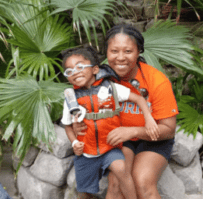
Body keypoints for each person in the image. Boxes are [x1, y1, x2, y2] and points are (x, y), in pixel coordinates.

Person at [72, 24, 179, 199]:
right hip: (119, 139)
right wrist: (78, 126)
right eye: (114, 51)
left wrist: (134, 131)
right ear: (106, 52)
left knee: (142, 181)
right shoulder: (97, 77)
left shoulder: (157, 81)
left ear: (138, 52)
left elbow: (168, 129)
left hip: (153, 139)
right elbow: (82, 109)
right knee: (116, 183)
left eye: (128, 51)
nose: (120, 58)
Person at [60, 46, 159, 199]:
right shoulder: (71, 98)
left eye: (80, 66)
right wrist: (74, 143)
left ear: (94, 69)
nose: (75, 72)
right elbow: (67, 126)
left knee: (121, 170)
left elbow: (139, 98)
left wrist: (149, 118)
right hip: (86, 152)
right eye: (69, 71)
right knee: (84, 191)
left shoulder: (111, 88)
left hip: (110, 147)